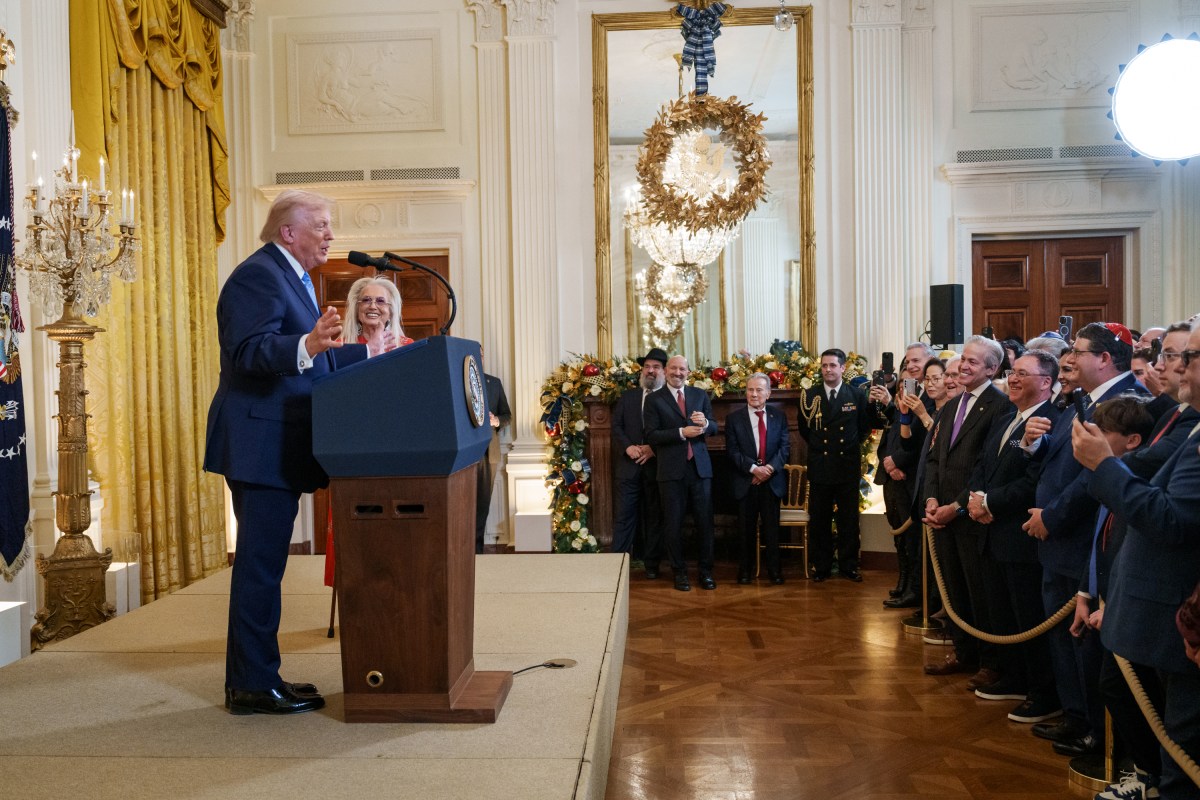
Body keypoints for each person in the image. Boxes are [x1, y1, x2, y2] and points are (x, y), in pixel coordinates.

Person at [204, 189, 369, 715]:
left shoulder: (292, 277)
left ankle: (260, 675)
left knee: (266, 566)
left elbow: (311, 364)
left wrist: (370, 352)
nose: (330, 234)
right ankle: (252, 685)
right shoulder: (258, 275)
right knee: (259, 568)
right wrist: (308, 345)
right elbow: (249, 352)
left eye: (329, 225)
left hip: (273, 444)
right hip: (258, 442)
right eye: (320, 225)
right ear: (288, 231)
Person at [1073, 323, 1200, 800]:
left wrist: (1103, 465)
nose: (1179, 366)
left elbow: (1170, 520)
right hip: (1156, 609)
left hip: (1177, 617)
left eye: (1189, 356)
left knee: (1183, 764)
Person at [1021, 322, 1147, 758]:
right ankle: (1076, 715)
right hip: (1058, 537)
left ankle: (1096, 730)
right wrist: (1036, 448)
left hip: (1084, 540)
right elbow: (1063, 458)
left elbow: (1098, 475)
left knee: (1084, 644)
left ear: (1105, 359)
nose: (1069, 359)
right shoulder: (1082, 401)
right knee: (1064, 640)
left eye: (1078, 351)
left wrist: (1052, 517)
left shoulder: (1124, 400)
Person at [965, 350, 1061, 724]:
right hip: (991, 531)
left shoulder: (1050, 421)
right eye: (1012, 372)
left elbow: (1033, 481)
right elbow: (982, 464)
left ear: (1046, 382)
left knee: (1027, 618)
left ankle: (1041, 691)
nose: (1014, 378)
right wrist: (975, 498)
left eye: (1023, 373)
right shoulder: (1007, 417)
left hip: (1020, 536)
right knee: (1001, 614)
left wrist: (991, 502)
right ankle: (1014, 677)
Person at [922, 336, 1013, 686]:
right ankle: (963, 653)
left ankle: (990, 662)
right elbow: (934, 459)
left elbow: (984, 468)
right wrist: (931, 500)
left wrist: (954, 507)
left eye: (973, 362)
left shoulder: (999, 406)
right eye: (963, 359)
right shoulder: (950, 405)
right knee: (954, 592)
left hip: (970, 518)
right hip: (941, 515)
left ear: (992, 368)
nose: (963, 366)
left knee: (980, 594)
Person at [644, 354, 718, 591]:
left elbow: (714, 427)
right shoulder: (655, 400)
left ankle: (706, 572)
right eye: (674, 369)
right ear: (666, 371)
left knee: (705, 523)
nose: (678, 373)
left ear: (688, 372)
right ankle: (680, 573)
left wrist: (705, 424)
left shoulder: (699, 394)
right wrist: (680, 433)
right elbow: (651, 435)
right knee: (673, 524)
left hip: (700, 469)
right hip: (671, 471)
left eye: (682, 369)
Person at [797, 348, 872, 582]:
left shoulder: (857, 395)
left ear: (843, 368)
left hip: (846, 465)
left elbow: (864, 428)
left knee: (848, 520)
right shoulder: (809, 396)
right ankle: (822, 566)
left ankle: (849, 565)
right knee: (819, 520)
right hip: (821, 466)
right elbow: (805, 430)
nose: (828, 370)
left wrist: (848, 446)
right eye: (824, 366)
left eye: (832, 365)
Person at [870, 343, 936, 607]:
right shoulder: (907, 389)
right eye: (908, 361)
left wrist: (897, 463)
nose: (910, 365)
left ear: (930, 361)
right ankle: (904, 581)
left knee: (913, 538)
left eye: (917, 361)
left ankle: (915, 589)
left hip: (910, 474)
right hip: (891, 474)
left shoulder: (930, 396)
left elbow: (922, 439)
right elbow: (896, 428)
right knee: (899, 535)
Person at [725, 372, 790, 584]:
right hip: (746, 481)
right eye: (750, 390)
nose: (754, 394)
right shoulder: (734, 418)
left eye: (759, 390)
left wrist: (768, 470)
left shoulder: (778, 417)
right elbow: (732, 452)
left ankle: (775, 572)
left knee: (772, 530)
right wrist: (754, 469)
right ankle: (745, 571)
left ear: (768, 394)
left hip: (771, 482)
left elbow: (784, 448)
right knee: (745, 531)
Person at [611, 348, 667, 575]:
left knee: (655, 517)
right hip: (629, 466)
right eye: (647, 367)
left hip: (657, 467)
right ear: (642, 371)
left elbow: (674, 430)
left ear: (663, 371)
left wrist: (652, 449)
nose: (651, 371)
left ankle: (652, 566)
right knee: (624, 516)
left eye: (656, 367)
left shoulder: (669, 398)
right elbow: (616, 426)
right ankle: (617, 565)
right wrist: (628, 447)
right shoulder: (628, 397)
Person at [476, 365, 511, 553]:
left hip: (489, 452)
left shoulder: (493, 383)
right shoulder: (457, 382)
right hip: (465, 454)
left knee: (482, 506)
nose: (478, 357)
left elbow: (507, 415)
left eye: (481, 354)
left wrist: (496, 420)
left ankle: (477, 552)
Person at [341, 276, 413, 356]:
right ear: (357, 309)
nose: (372, 306)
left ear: (391, 312)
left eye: (381, 301)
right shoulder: (341, 346)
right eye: (366, 300)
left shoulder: (407, 346)